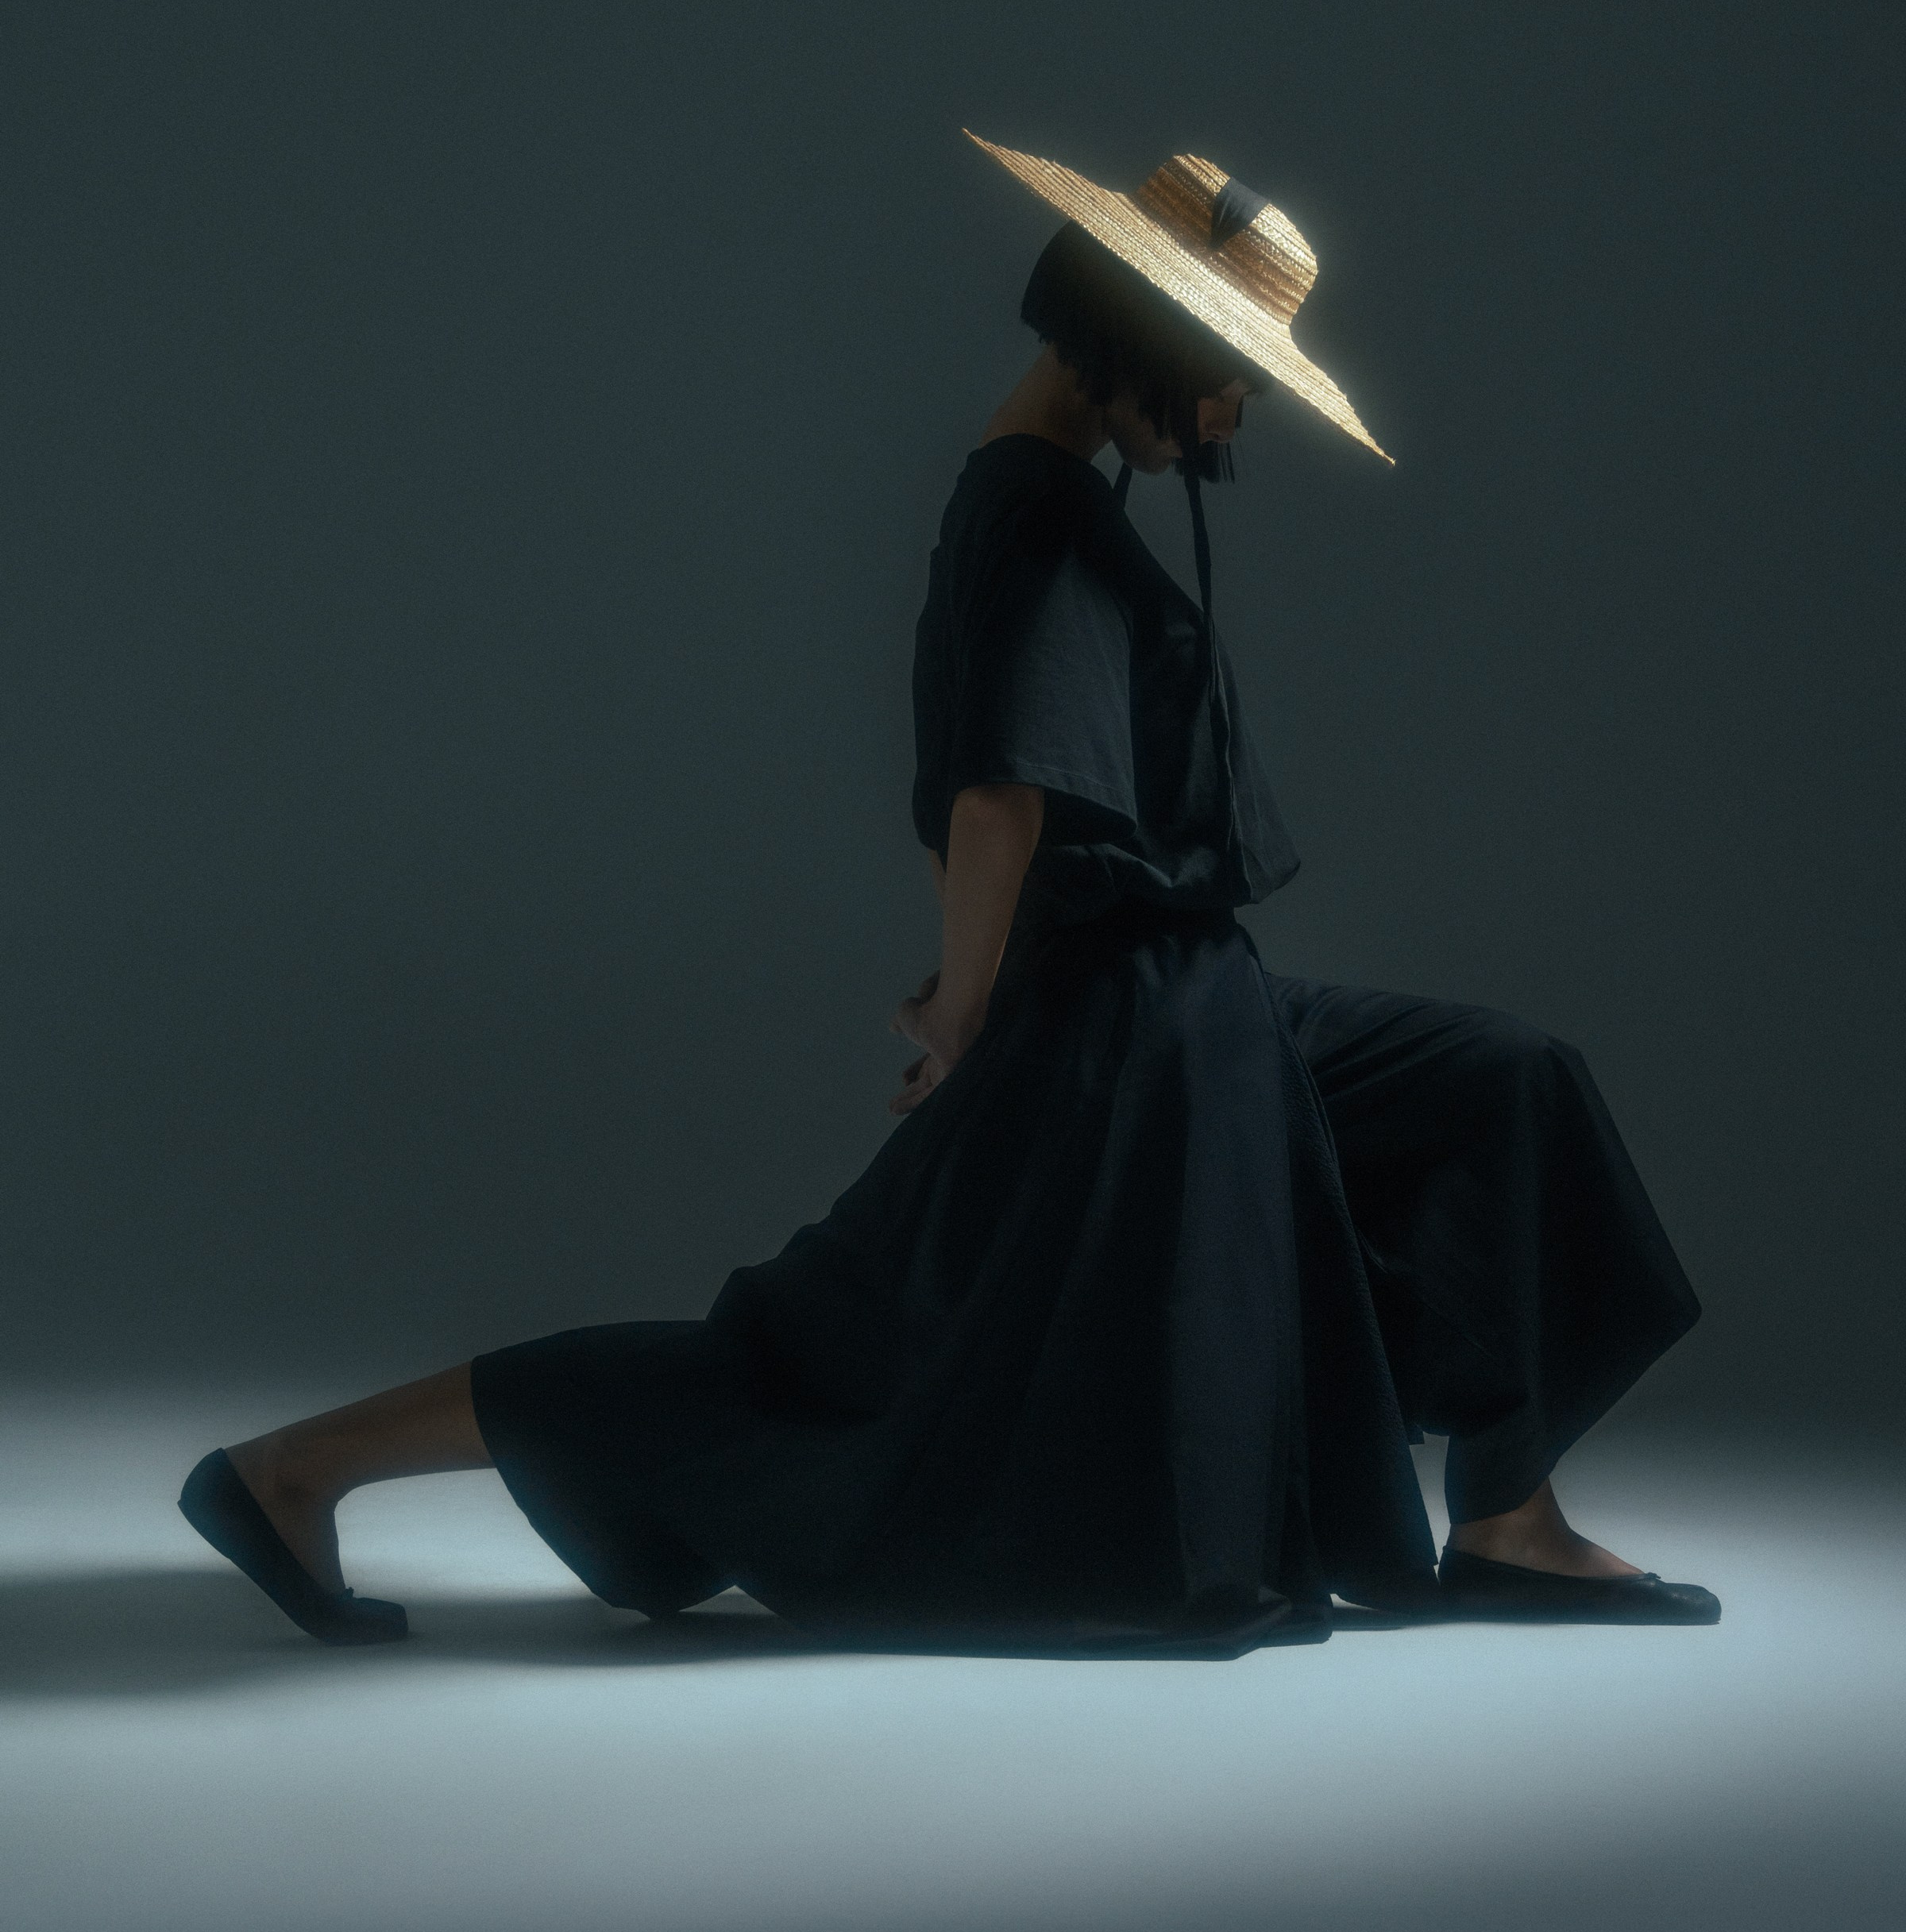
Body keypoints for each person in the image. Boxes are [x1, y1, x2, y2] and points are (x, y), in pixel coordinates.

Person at [179, 137, 1718, 1652]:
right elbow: (995, 796)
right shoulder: (1039, 516)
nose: (1238, 405)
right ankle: (291, 1468)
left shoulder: (1034, 505)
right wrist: (970, 1012)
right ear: (1147, 335)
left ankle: (1508, 1512)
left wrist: (989, 972)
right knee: (818, 1380)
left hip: (1195, 1006)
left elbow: (975, 789)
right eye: (1228, 363)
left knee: (1507, 1091)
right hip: (1128, 1028)